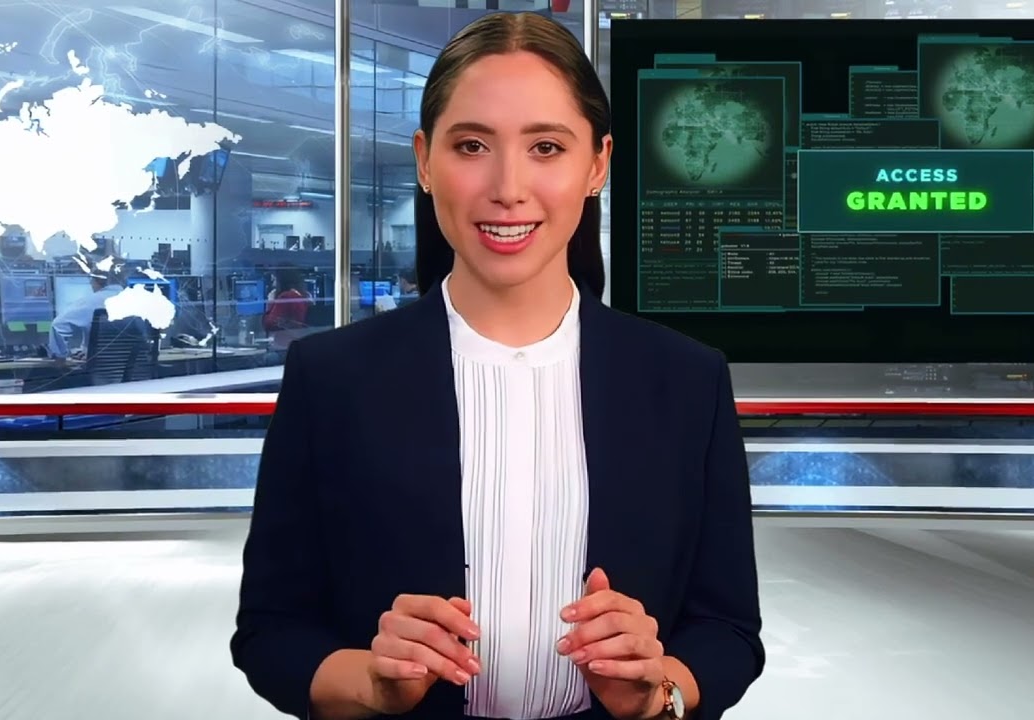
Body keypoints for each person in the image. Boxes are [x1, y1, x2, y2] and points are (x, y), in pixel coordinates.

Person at [231, 11, 763, 720]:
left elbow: (728, 631)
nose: (508, 187)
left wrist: (658, 691)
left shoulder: (687, 381)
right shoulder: (331, 379)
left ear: (597, 164)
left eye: (546, 147)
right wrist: (371, 680)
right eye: (472, 145)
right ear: (425, 160)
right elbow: (271, 631)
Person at [47, 266, 125, 359]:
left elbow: (58, 326)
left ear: (97, 280)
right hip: (132, 365)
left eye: (91, 280)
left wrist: (60, 356)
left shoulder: (91, 301)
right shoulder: (137, 301)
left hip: (99, 365)